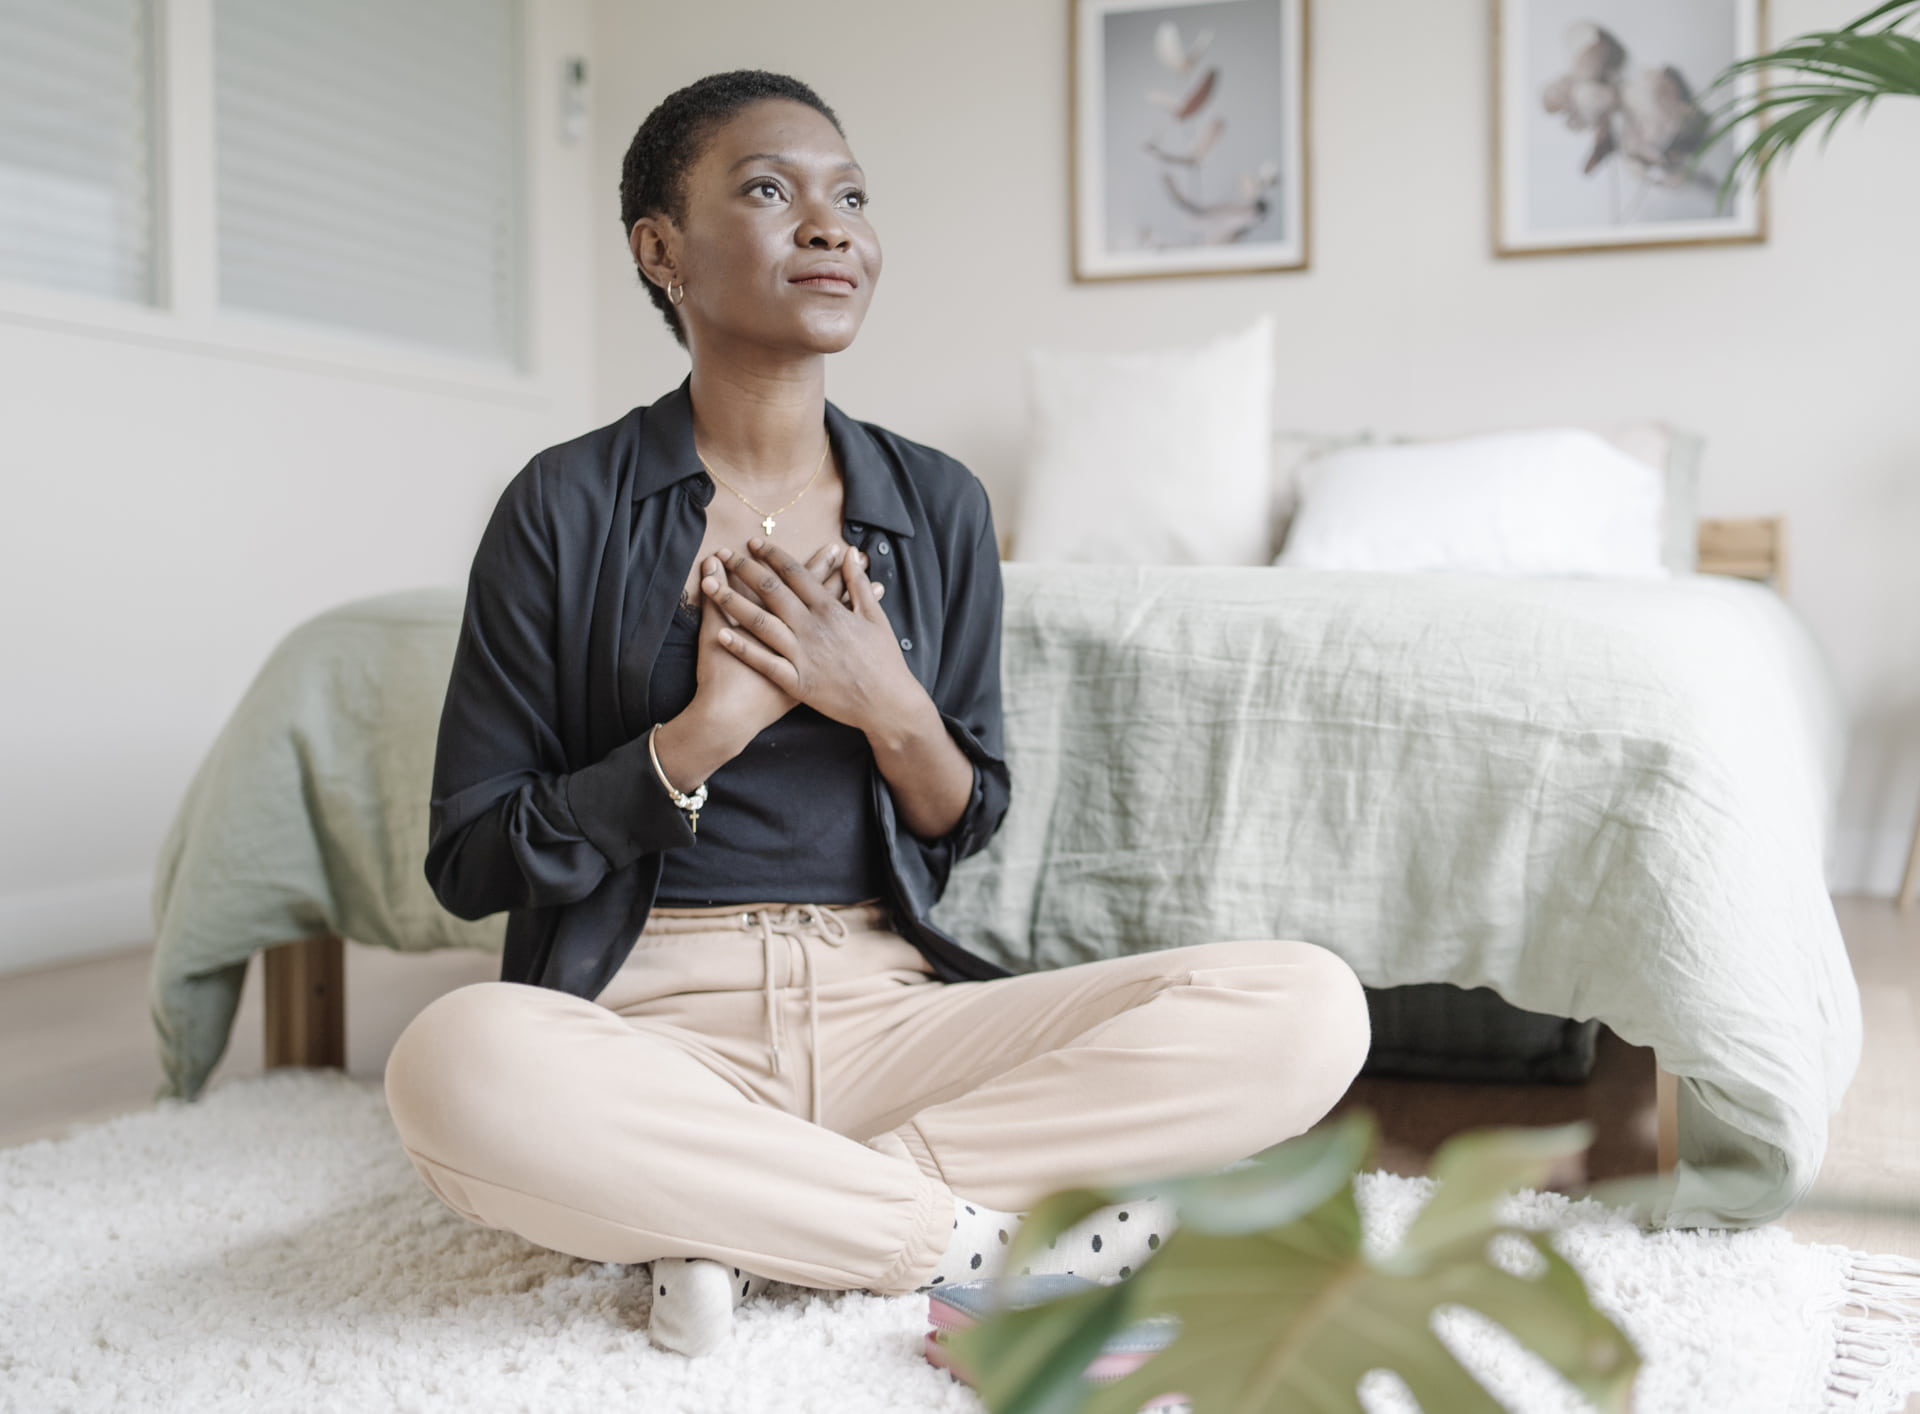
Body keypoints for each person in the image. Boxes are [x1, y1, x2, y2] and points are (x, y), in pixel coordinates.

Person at [381, 68, 1372, 1359]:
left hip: (888, 1009)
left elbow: (961, 821)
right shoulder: (562, 506)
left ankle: (744, 1212)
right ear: (660, 249)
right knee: (453, 1062)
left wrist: (886, 698)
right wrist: (701, 735)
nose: (830, 223)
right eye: (769, 190)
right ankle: (970, 1244)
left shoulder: (941, 505)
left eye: (849, 195)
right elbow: (471, 855)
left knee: (1309, 1005)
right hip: (648, 1015)